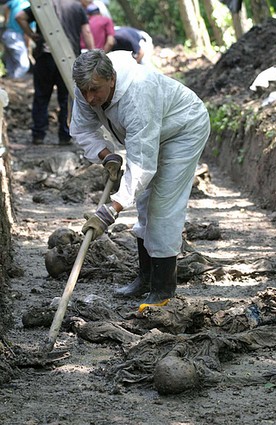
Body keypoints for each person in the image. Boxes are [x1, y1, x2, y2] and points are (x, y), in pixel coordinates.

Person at [69, 49, 210, 311]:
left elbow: (141, 167)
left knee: (162, 205)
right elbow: (81, 128)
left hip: (183, 129)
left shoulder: (138, 95)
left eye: (95, 90)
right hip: (152, 131)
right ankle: (146, 278)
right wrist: (107, 155)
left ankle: (163, 289)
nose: (89, 98)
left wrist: (111, 210)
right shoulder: (87, 87)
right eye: (84, 90)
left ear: (111, 79)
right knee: (146, 203)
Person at [16, 0, 94, 145]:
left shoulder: (44, 4)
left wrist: (32, 34)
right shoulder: (76, 6)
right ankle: (65, 135)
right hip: (69, 57)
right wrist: (93, 54)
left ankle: (38, 135)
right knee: (66, 99)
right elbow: (86, 31)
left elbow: (20, 16)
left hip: (45, 55)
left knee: (41, 96)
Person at [1, 0, 33, 79]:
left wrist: (6, 21)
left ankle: (8, 79)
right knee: (24, 66)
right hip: (16, 37)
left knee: (10, 63)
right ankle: (13, 80)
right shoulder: (31, 9)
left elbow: (6, 7)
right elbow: (27, 33)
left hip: (7, 34)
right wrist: (28, 48)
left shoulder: (18, 1)